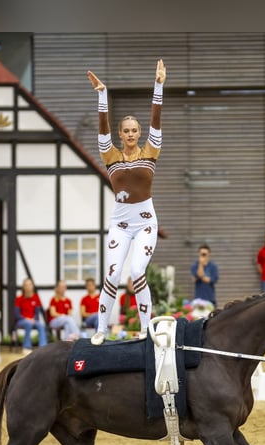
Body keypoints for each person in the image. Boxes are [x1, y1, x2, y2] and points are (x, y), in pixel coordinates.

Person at [87, 59, 166, 345]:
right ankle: (100, 330)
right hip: (120, 224)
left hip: (145, 222)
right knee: (111, 275)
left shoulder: (151, 150)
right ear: (121, 135)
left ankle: (148, 329)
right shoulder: (110, 156)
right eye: (127, 130)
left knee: (136, 271)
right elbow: (102, 131)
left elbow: (156, 118)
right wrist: (102, 95)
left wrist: (159, 85)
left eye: (135, 130)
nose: (131, 134)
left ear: (139, 133)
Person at [14, 277, 48, 354]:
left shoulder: (36, 298)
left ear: (32, 286)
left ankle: (43, 347)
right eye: (26, 285)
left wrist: (33, 319)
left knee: (41, 325)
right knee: (28, 323)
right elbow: (17, 314)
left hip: (33, 320)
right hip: (21, 321)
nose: (28, 287)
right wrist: (27, 319)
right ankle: (26, 347)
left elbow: (37, 313)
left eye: (29, 285)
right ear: (23, 287)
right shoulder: (19, 299)